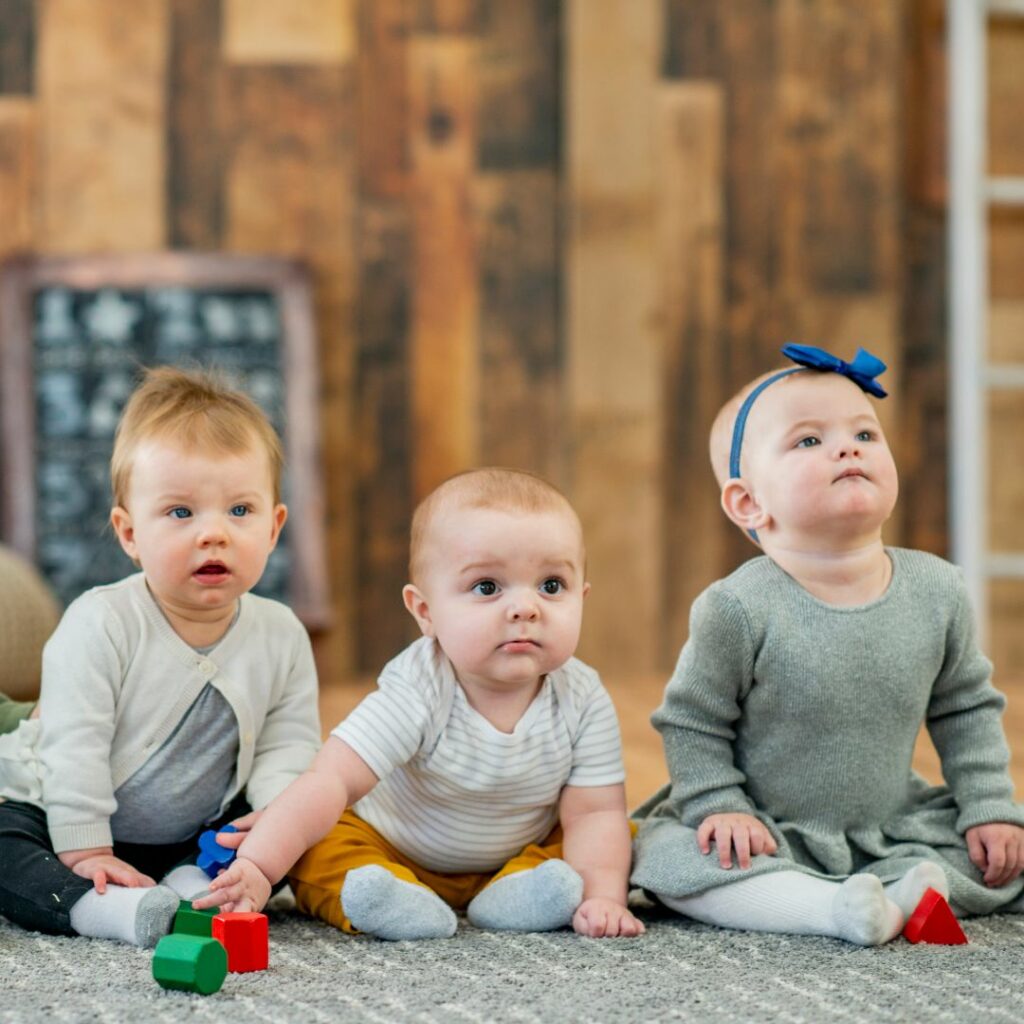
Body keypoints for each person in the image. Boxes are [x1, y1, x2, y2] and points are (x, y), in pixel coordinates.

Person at [630, 344, 1024, 945]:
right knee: (671, 863)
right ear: (747, 502)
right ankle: (830, 909)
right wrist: (720, 807)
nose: (848, 447)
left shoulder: (938, 589)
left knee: (1006, 851)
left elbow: (965, 709)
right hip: (765, 828)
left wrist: (989, 808)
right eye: (808, 441)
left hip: (889, 823)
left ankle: (900, 887)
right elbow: (691, 723)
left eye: (865, 433)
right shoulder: (737, 607)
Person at [194, 468, 644, 940]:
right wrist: (259, 866)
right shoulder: (419, 687)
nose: (526, 608)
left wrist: (603, 899)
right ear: (425, 612)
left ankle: (519, 896)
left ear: (582, 599)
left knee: (612, 834)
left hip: (519, 852)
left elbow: (594, 813)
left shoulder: (583, 697)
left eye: (551, 586)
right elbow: (331, 779)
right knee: (320, 842)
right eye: (488, 587)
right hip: (391, 847)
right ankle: (394, 900)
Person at [0, 367, 321, 946]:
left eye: (240, 511)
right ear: (129, 533)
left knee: (297, 825)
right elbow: (75, 743)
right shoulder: (101, 623)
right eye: (180, 513)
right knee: (4, 842)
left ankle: (191, 882)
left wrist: (274, 817)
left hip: (193, 830)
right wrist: (86, 847)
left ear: (275, 528)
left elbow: (288, 742)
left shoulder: (281, 634)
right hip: (58, 815)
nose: (213, 534)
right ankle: (99, 910)